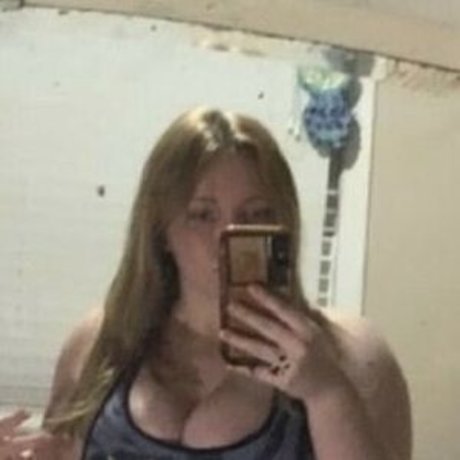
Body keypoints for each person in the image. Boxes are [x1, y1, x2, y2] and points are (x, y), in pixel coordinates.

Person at [0, 107, 411, 459]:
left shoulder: (351, 352)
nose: (228, 235)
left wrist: (326, 393)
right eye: (202, 215)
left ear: (284, 223)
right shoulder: (102, 341)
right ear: (161, 229)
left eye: (256, 214)